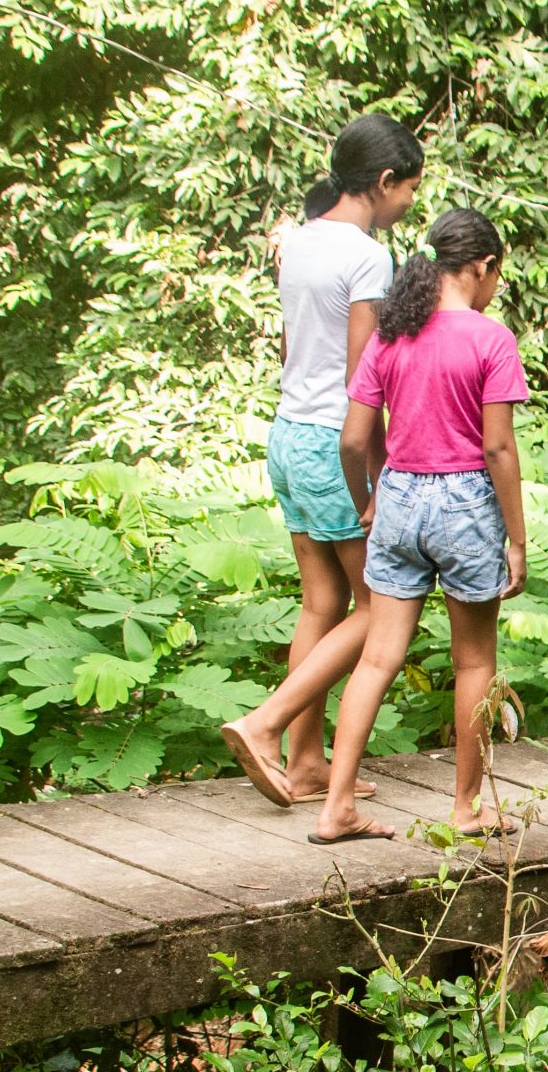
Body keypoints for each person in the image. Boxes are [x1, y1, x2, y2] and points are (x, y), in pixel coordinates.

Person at [286, 207, 528, 845]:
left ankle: (336, 806)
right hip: (466, 503)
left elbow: (352, 438)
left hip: (397, 497)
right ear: (483, 267)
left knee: (376, 659)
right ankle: (466, 809)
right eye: (495, 275)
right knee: (474, 661)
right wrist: (517, 538)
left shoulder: (391, 337)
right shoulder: (489, 339)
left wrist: (371, 497)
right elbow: (499, 450)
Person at [221, 112, 423, 804]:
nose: (409, 207)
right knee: (382, 604)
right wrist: (382, 461)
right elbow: (364, 374)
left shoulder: (299, 241)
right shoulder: (368, 255)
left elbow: (291, 347)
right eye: (408, 193)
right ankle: (266, 721)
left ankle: (306, 764)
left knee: (321, 602)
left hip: (288, 434)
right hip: (338, 440)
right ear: (385, 181)